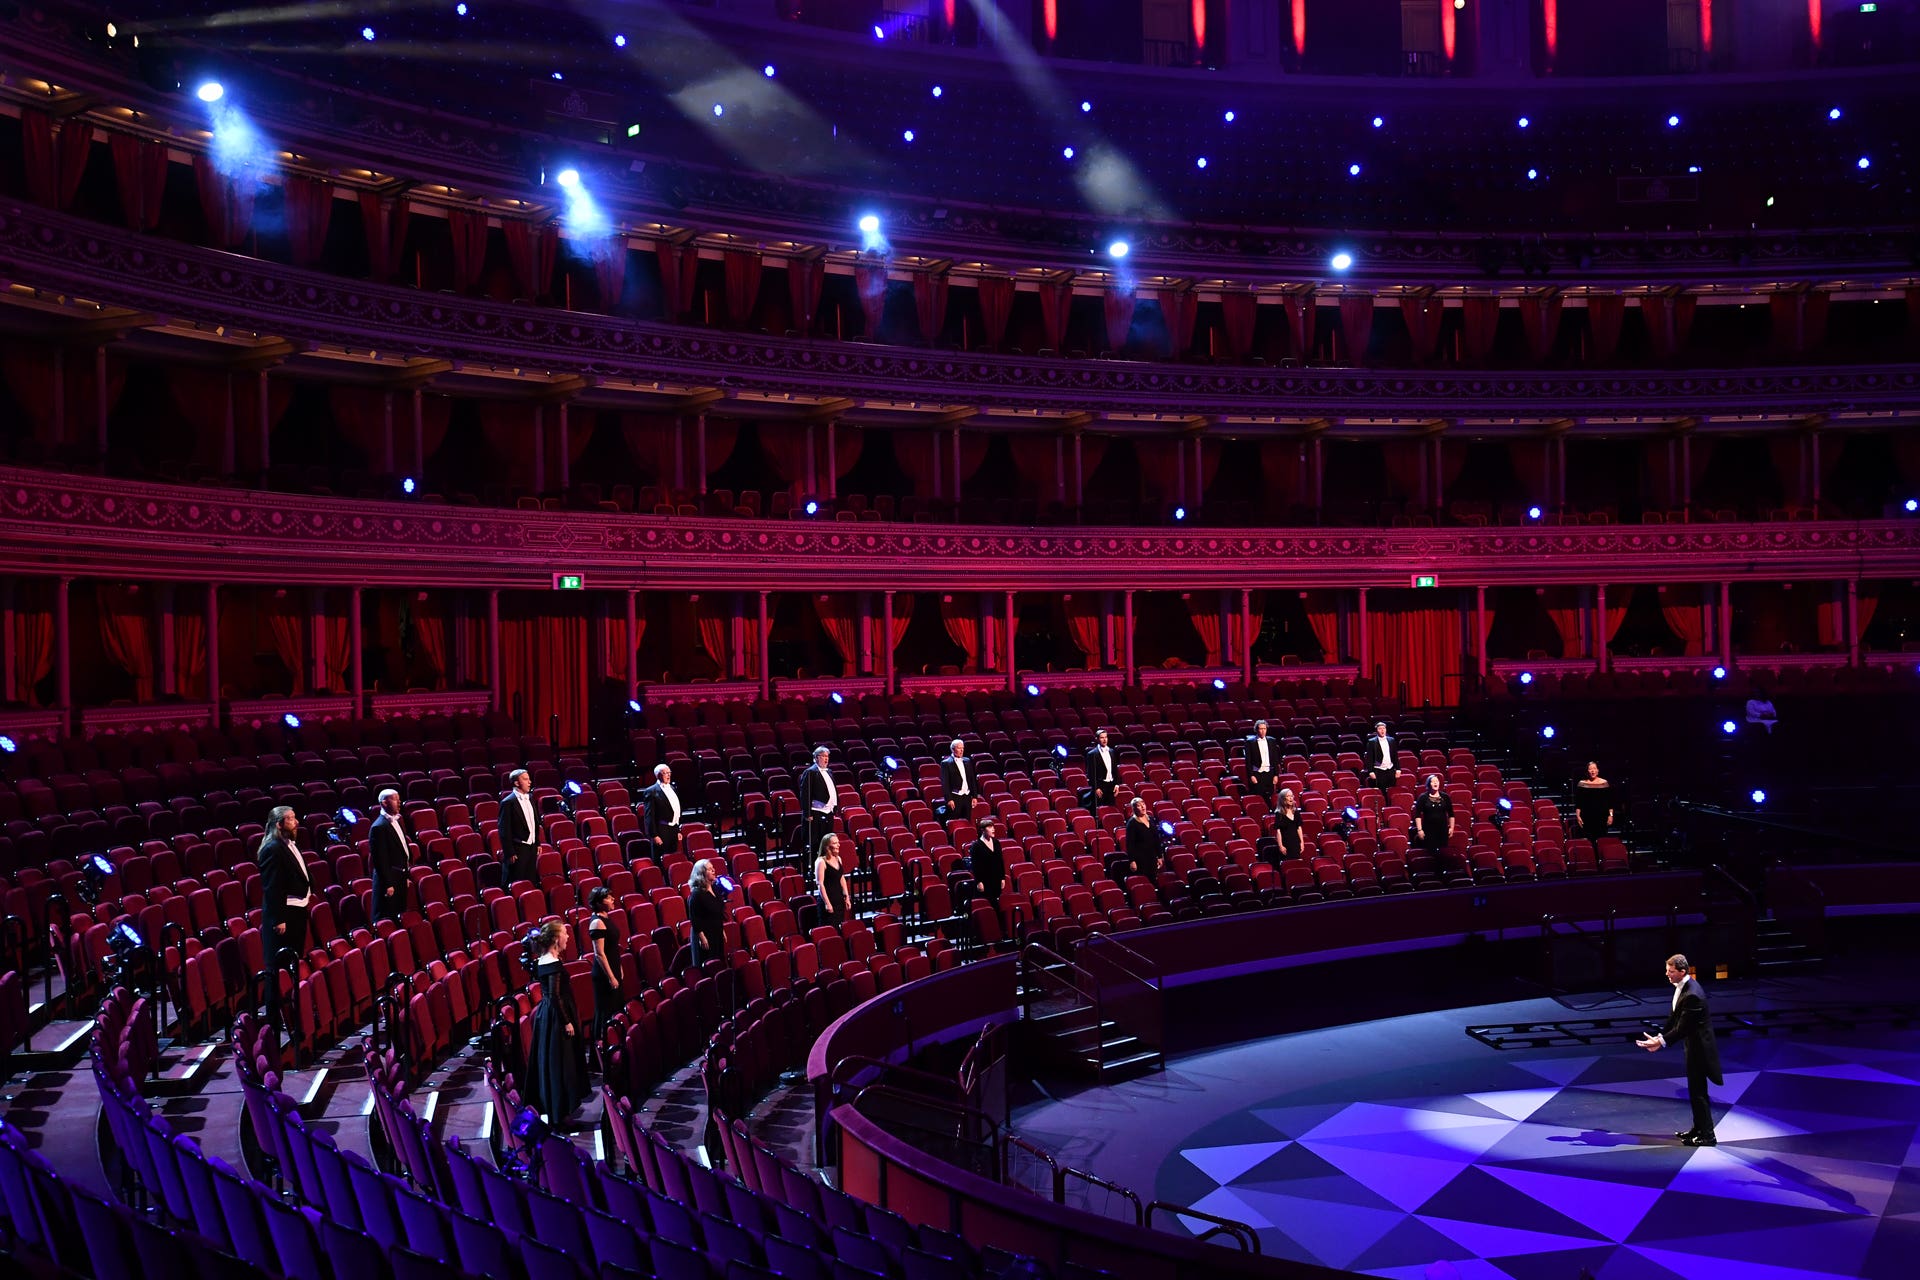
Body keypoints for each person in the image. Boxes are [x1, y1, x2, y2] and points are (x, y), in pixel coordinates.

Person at [1637, 954, 1723, 1146]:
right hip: (1692, 1046)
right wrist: (1660, 1037)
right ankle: (1698, 1129)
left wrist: (1660, 1043)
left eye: (1671, 971)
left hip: (1700, 1050)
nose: (1667, 974)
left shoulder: (1692, 994)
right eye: (1667, 970)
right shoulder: (1684, 988)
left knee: (1698, 1092)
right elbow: (1675, 1019)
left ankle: (1707, 1135)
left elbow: (1682, 1028)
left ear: (1682, 971)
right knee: (1695, 1091)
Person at [521, 921, 583, 1124]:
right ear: (556, 939)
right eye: (565, 933)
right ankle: (559, 1114)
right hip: (556, 1018)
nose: (568, 937)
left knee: (554, 1063)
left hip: (549, 1016)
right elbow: (555, 997)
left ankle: (559, 1112)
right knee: (559, 1064)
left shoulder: (546, 960)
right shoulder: (552, 964)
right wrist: (567, 1022)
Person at [257, 805, 310, 968]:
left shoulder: (288, 844)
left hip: (297, 909)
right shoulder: (272, 849)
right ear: (279, 824)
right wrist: (278, 919)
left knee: (294, 959)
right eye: (291, 818)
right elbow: (272, 886)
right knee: (281, 963)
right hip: (286, 914)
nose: (296, 822)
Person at [368, 788, 414, 923]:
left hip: (399, 877)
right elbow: (380, 858)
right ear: (384, 803)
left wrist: (405, 875)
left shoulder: (396, 821)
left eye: (399, 798)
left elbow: (401, 849)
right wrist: (388, 884)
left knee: (399, 915)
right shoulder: (378, 827)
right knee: (387, 918)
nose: (399, 802)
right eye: (395, 799)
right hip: (389, 882)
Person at [585, 887, 620, 1051]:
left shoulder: (607, 918)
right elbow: (599, 954)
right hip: (603, 974)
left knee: (614, 1008)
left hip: (612, 968)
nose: (612, 899)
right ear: (598, 903)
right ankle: (601, 1051)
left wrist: (618, 967)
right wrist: (611, 976)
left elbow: (612, 948)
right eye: (608, 898)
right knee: (604, 1011)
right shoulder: (596, 922)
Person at [498, 768, 542, 887]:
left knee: (530, 880)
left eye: (529, 779)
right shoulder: (508, 802)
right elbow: (504, 830)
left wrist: (537, 842)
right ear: (517, 783)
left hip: (531, 848)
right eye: (525, 779)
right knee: (517, 882)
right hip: (518, 849)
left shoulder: (531, 798)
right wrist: (510, 852)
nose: (530, 782)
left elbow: (534, 822)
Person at [686, 858, 726, 967]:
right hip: (705, 936)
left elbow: (718, 912)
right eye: (709, 869)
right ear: (701, 874)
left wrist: (722, 930)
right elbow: (695, 918)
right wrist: (702, 937)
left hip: (716, 932)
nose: (713, 870)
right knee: (707, 965)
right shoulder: (697, 894)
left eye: (713, 868)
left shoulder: (715, 890)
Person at [639, 762, 683, 858]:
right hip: (661, 831)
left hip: (673, 830)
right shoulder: (651, 791)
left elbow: (676, 809)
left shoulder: (672, 788)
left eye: (669, 772)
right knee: (662, 858)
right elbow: (649, 816)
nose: (668, 775)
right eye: (665, 773)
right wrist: (654, 835)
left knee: (673, 858)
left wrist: (677, 830)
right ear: (658, 775)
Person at [801, 746, 837, 857]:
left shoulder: (829, 771)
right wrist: (808, 813)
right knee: (815, 842)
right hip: (815, 812)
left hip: (828, 812)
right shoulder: (810, 772)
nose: (826, 759)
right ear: (816, 758)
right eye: (823, 756)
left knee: (826, 842)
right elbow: (805, 793)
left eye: (827, 756)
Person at [1574, 761, 1615, 847]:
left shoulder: (1604, 783)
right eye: (1590, 769)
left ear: (1598, 770)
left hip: (1602, 817)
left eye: (1594, 768)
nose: (1592, 771)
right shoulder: (1582, 784)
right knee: (1590, 841)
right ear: (1587, 771)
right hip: (1587, 817)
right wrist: (1578, 816)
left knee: (1602, 841)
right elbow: (1578, 803)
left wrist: (1610, 815)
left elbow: (1610, 802)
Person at [1412, 774, 1454, 854]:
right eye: (1433, 781)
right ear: (1428, 784)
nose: (1435, 783)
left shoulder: (1445, 797)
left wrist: (1451, 828)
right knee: (1431, 853)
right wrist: (1420, 830)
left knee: (1443, 853)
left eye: (1437, 781)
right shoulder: (1423, 797)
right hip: (1428, 831)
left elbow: (1451, 814)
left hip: (1443, 830)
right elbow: (1417, 815)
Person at [967, 816, 1005, 905]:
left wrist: (1002, 878)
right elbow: (976, 866)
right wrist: (979, 882)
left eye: (993, 827)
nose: (993, 829)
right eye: (990, 827)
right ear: (983, 830)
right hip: (985, 881)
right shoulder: (976, 846)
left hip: (996, 879)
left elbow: (1000, 861)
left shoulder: (996, 843)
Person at [1124, 797, 1163, 880]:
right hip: (1140, 858)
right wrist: (1132, 861)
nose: (1142, 807)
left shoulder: (1151, 819)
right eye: (1139, 805)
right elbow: (1130, 843)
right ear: (1134, 809)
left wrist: (1159, 856)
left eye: (1143, 804)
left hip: (1152, 857)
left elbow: (1156, 839)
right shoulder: (1132, 823)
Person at [815, 832, 849, 926]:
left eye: (838, 842)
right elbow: (820, 884)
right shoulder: (821, 861)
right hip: (828, 900)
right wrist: (827, 903)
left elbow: (841, 878)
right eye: (834, 843)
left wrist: (847, 897)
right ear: (827, 846)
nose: (838, 845)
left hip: (838, 900)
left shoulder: (838, 859)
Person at [940, 739, 977, 822]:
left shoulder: (967, 761)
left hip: (967, 796)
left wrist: (974, 796)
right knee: (955, 821)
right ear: (953, 749)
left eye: (963, 748)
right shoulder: (946, 763)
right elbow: (945, 783)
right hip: (955, 797)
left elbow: (972, 779)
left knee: (967, 821)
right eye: (959, 748)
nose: (961, 750)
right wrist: (949, 799)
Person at [1084, 728, 1118, 812]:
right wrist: (1096, 788)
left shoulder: (1112, 751)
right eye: (1102, 738)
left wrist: (1117, 784)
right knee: (1100, 810)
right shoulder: (1092, 754)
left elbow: (1115, 769)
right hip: (1100, 786)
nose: (1104, 739)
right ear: (1097, 739)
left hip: (1111, 786)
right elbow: (1090, 773)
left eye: (1106, 737)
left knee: (1111, 810)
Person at [1244, 720, 1276, 802]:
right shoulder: (1250, 742)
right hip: (1257, 773)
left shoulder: (1272, 741)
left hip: (1269, 773)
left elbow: (1275, 759)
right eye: (1260, 729)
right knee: (1259, 797)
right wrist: (1251, 775)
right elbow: (1248, 761)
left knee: (1271, 796)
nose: (1263, 731)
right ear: (1256, 730)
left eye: (1264, 729)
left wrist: (1276, 774)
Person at [1272, 787, 1304, 860]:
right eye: (1288, 796)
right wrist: (1280, 846)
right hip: (1285, 843)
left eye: (1292, 796)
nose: (1291, 798)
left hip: (1295, 843)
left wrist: (1302, 843)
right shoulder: (1279, 814)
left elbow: (1299, 828)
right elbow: (1278, 831)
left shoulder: (1296, 812)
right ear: (1283, 799)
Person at [1365, 722, 1397, 792]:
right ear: (1377, 730)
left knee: (1391, 790)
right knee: (1381, 790)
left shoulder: (1391, 740)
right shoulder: (1372, 742)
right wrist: (1370, 771)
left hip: (1390, 769)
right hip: (1379, 770)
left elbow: (1395, 756)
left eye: (1383, 728)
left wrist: (1398, 769)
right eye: (1380, 729)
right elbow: (1370, 758)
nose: (1382, 730)